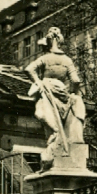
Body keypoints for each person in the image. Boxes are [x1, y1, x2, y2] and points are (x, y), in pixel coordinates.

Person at [24, 27, 86, 155]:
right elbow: (75, 80)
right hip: (62, 91)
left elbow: (29, 69)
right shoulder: (67, 60)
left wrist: (38, 82)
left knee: (44, 116)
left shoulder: (46, 58)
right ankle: (57, 138)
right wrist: (72, 93)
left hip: (47, 90)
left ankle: (54, 138)